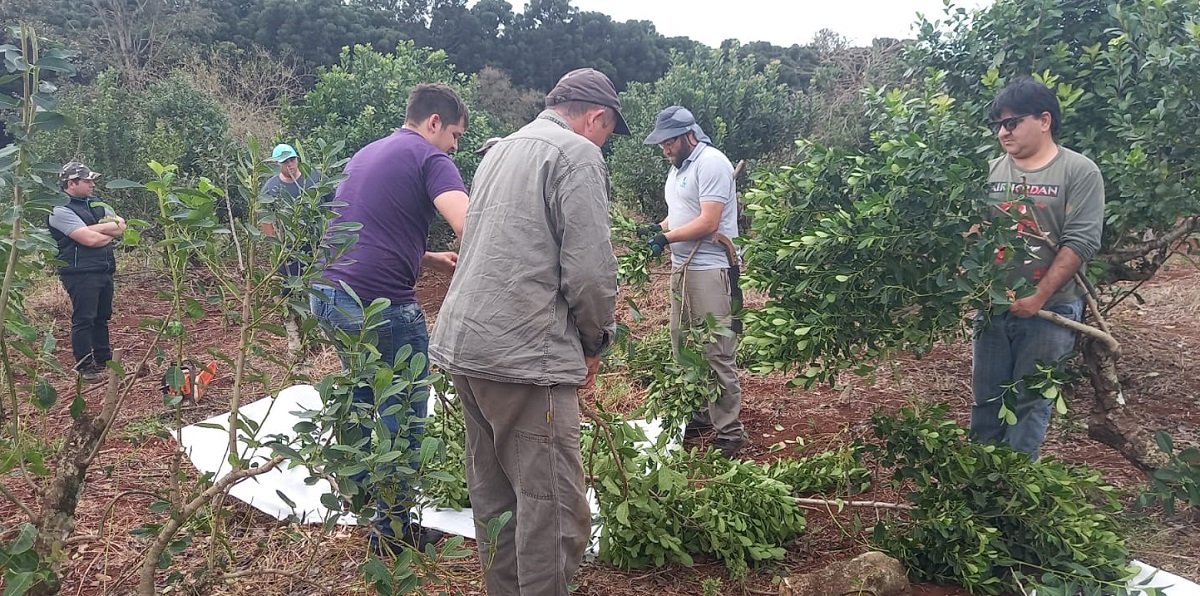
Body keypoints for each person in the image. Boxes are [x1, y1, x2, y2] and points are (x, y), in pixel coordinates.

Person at [428, 67, 626, 596]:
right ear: (596, 117)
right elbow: (590, 272)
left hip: (468, 345)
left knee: (496, 499)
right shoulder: (576, 154)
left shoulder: (499, 150)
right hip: (523, 356)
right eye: (608, 132)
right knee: (552, 510)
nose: (604, 143)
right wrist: (594, 342)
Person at [310, 83, 469, 553]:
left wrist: (430, 259)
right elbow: (470, 224)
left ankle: (362, 502)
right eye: (455, 135)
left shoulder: (367, 153)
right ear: (434, 122)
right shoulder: (430, 158)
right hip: (378, 304)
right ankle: (393, 530)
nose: (454, 147)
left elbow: (371, 230)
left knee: (361, 398)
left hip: (329, 295)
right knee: (404, 410)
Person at [971, 77, 1104, 459]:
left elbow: (1080, 241)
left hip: (1051, 311)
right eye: (998, 124)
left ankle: (1015, 484)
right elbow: (972, 235)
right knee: (986, 402)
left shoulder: (1079, 172)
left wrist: (1038, 296)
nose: (1002, 132)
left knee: (1030, 404)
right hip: (993, 309)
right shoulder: (989, 172)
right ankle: (980, 482)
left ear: (1044, 120)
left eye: (1011, 122)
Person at [640, 106, 747, 458]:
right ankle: (700, 414)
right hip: (682, 269)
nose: (665, 148)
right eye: (662, 143)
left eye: (669, 141)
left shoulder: (711, 163)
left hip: (710, 270)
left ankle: (730, 432)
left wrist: (665, 239)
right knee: (683, 345)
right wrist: (656, 229)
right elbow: (679, 215)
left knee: (717, 350)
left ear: (689, 135)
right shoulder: (678, 169)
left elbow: (708, 222)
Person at [48, 162, 126, 383]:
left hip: (103, 268)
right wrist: (106, 232)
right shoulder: (59, 209)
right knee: (84, 318)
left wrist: (91, 230)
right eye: (87, 181)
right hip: (79, 272)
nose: (92, 184)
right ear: (71, 183)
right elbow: (90, 240)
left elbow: (121, 225)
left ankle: (103, 358)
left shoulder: (96, 203)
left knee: (102, 316)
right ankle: (84, 366)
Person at [260, 143, 324, 354]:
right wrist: (275, 246)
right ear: (277, 164)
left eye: (292, 159)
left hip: (316, 249)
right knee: (287, 295)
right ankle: (295, 341)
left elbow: (331, 205)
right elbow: (265, 218)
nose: (290, 164)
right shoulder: (271, 187)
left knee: (318, 291)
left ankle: (320, 337)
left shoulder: (313, 178)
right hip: (288, 251)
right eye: (284, 161)